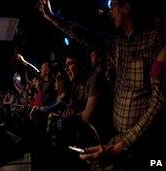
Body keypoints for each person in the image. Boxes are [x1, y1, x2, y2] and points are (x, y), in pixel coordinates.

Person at [38, 0, 166, 170]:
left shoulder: (153, 41)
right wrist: (53, 18)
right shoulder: (118, 42)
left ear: (126, 7)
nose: (109, 11)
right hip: (119, 136)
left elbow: (158, 101)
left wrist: (121, 145)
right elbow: (82, 35)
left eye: (112, 5)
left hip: (142, 143)